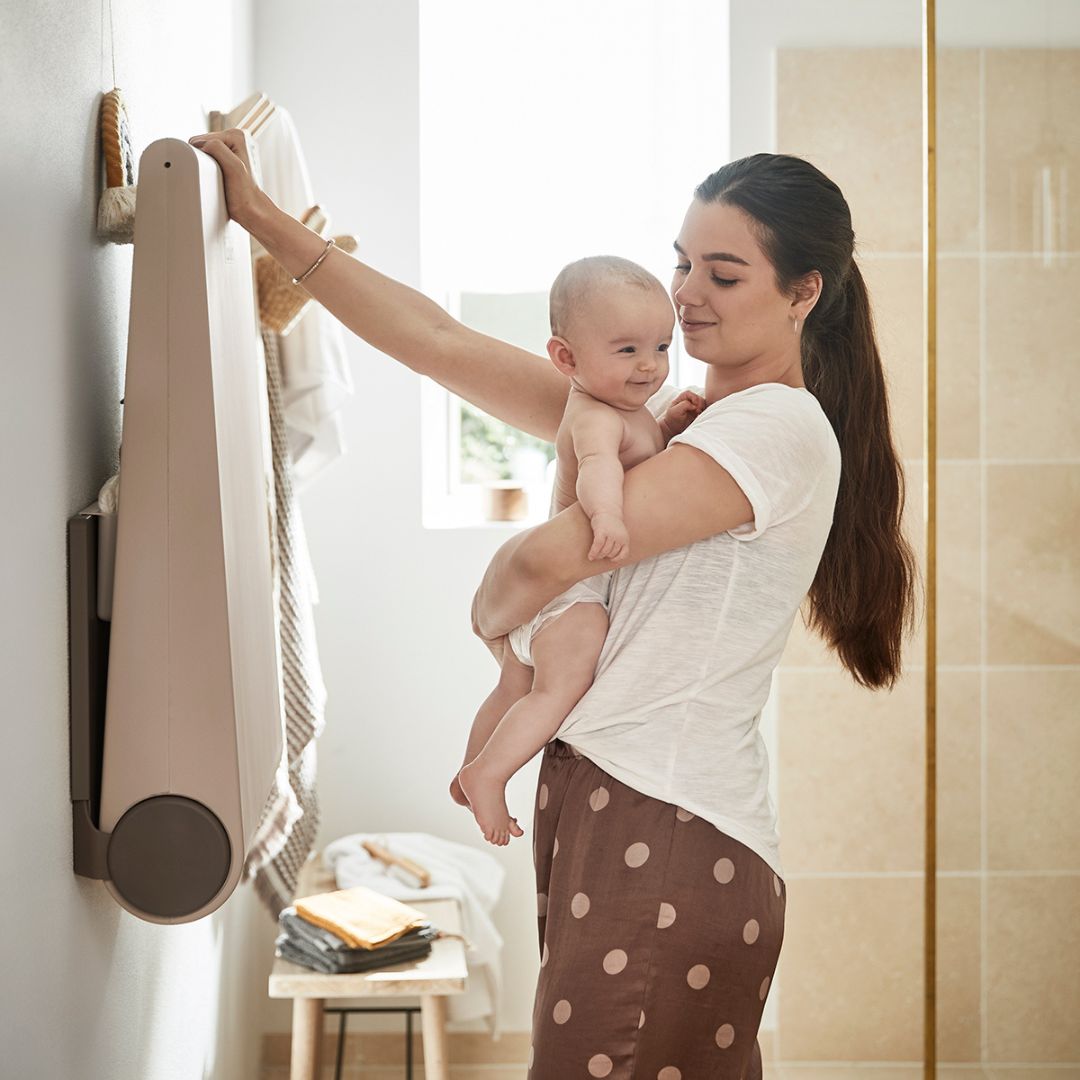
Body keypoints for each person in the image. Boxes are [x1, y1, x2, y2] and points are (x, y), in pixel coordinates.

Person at [187, 129, 918, 1079]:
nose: (689, 292)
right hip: (625, 810)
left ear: (803, 292)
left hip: (670, 822)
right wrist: (261, 219)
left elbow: (542, 563)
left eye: (725, 274)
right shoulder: (653, 419)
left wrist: (490, 617)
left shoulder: (776, 426)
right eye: (683, 261)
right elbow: (440, 343)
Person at [449, 255, 706, 847]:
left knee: (513, 687)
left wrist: (667, 424)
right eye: (626, 351)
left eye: (661, 347)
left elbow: (638, 452)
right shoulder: (593, 417)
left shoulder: (624, 409)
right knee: (558, 688)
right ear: (566, 358)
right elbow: (597, 468)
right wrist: (609, 515)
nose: (649, 365)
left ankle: (471, 771)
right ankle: (489, 773)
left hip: (544, 596)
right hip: (573, 592)